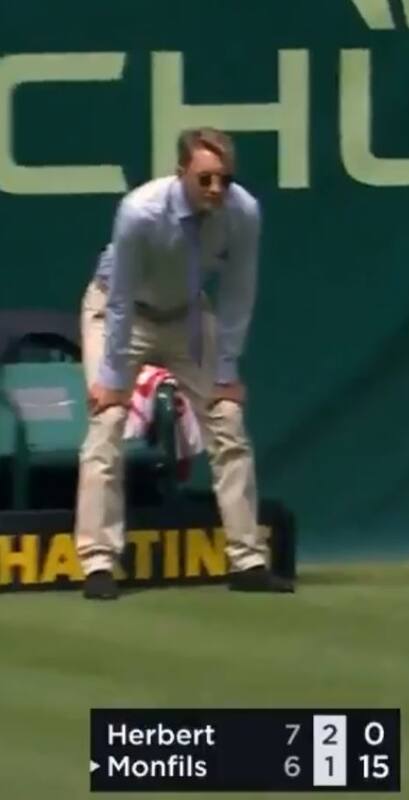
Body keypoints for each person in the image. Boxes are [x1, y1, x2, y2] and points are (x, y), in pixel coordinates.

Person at [75, 127, 294, 599]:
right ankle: (98, 563)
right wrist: (112, 378)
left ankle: (247, 561)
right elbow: (120, 298)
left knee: (227, 418)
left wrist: (227, 371)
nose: (216, 189)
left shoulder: (243, 212)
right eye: (205, 179)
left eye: (225, 180)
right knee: (107, 421)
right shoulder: (140, 211)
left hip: (188, 317)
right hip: (120, 312)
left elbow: (238, 292)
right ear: (181, 173)